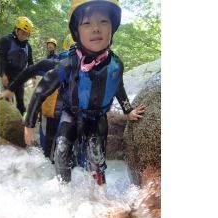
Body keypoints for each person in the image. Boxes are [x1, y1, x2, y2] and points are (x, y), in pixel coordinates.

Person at [24, 0, 145, 186]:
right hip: (70, 114)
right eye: (87, 23)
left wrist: (128, 110)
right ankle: (64, 193)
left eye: (103, 22)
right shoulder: (69, 64)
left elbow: (117, 87)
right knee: (62, 150)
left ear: (112, 27)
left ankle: (98, 196)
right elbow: (42, 90)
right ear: (76, 31)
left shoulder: (116, 65)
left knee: (96, 157)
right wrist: (29, 124)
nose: (96, 28)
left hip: (97, 117)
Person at [0, 16, 34, 115]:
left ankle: (22, 122)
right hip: (7, 75)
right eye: (22, 33)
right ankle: (6, 122)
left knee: (21, 101)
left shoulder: (28, 46)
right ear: (16, 30)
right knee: (7, 100)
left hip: (20, 77)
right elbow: (0, 59)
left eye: (27, 34)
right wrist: (2, 74)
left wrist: (33, 77)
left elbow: (30, 62)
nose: (24, 36)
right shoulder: (6, 41)